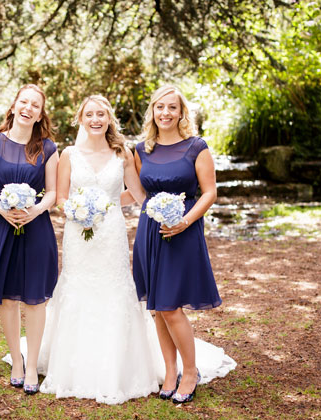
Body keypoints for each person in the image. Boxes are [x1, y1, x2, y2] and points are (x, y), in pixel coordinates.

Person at [36, 95, 165, 404]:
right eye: (90, 114)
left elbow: (136, 194)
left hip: (111, 234)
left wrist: (104, 205)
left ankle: (119, 366)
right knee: (78, 288)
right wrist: (80, 210)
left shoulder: (123, 153)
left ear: (109, 119)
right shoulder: (69, 154)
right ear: (81, 118)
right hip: (78, 233)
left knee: (113, 289)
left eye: (101, 114)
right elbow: (61, 198)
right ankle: (71, 364)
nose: (95, 119)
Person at [132, 85, 224, 404]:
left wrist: (185, 221)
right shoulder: (142, 149)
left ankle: (190, 372)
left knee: (171, 308)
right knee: (158, 308)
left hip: (182, 232)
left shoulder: (195, 147)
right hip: (149, 232)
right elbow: (137, 192)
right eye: (160, 107)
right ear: (152, 111)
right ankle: (169, 372)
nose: (166, 113)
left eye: (172, 107)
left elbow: (209, 192)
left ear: (181, 112)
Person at [0, 84, 59, 395]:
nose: (28, 108)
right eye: (23, 102)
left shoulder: (49, 149)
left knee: (36, 300)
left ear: (40, 114)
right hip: (0, 228)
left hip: (36, 229)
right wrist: (2, 209)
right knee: (9, 299)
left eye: (35, 105)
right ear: (13, 107)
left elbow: (52, 193)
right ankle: (16, 361)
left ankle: (33, 366)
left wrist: (34, 210)